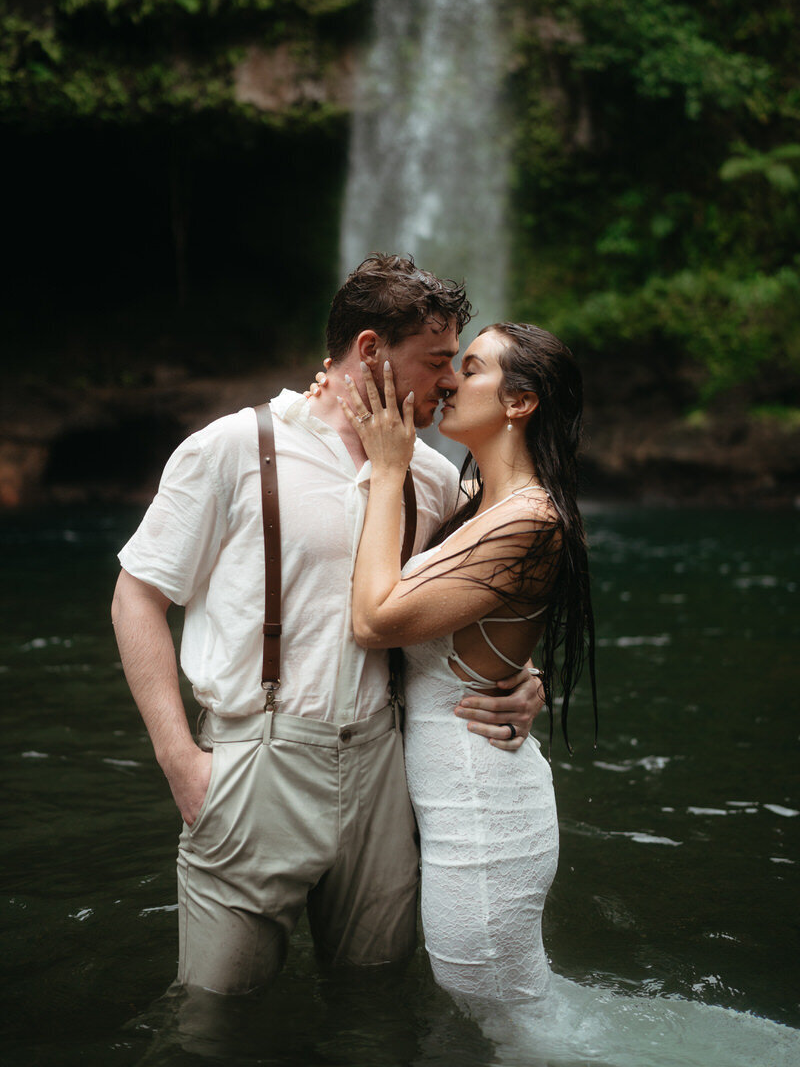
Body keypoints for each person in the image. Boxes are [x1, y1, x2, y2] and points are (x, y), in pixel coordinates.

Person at [110, 255, 545, 996]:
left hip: (384, 766)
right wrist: (180, 761)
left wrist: (523, 677)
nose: (448, 382)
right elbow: (137, 597)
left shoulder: (435, 479)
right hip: (255, 756)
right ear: (371, 350)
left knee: (376, 1009)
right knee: (215, 1017)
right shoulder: (232, 448)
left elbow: (464, 609)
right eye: (436, 361)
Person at [339, 321, 596, 1007]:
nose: (450, 379)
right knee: (514, 1018)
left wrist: (390, 468)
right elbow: (493, 629)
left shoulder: (529, 519)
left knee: (514, 1028)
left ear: (519, 402)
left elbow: (373, 622)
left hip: (483, 819)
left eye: (472, 368)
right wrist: (526, 673)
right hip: (461, 807)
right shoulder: (485, 506)